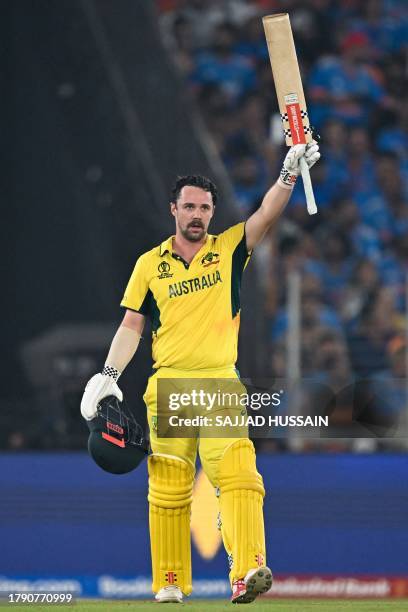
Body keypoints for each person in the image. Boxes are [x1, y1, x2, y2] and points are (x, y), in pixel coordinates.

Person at [80, 142, 320, 604]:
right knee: (168, 486)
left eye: (205, 208)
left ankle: (247, 571)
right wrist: (109, 374)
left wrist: (289, 175)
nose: (197, 214)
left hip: (219, 382)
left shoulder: (228, 249)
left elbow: (265, 216)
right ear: (174, 209)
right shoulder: (149, 265)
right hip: (168, 382)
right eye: (189, 206)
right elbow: (132, 325)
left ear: (212, 213)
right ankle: (169, 583)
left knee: (239, 475)